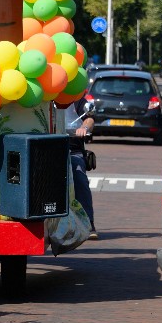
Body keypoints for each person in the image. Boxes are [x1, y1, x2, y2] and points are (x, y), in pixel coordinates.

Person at [67, 95, 97, 239]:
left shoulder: (76, 98)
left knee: (79, 178)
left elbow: (89, 118)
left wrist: (84, 127)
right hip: (48, 148)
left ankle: (88, 223)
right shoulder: (44, 99)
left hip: (73, 150)